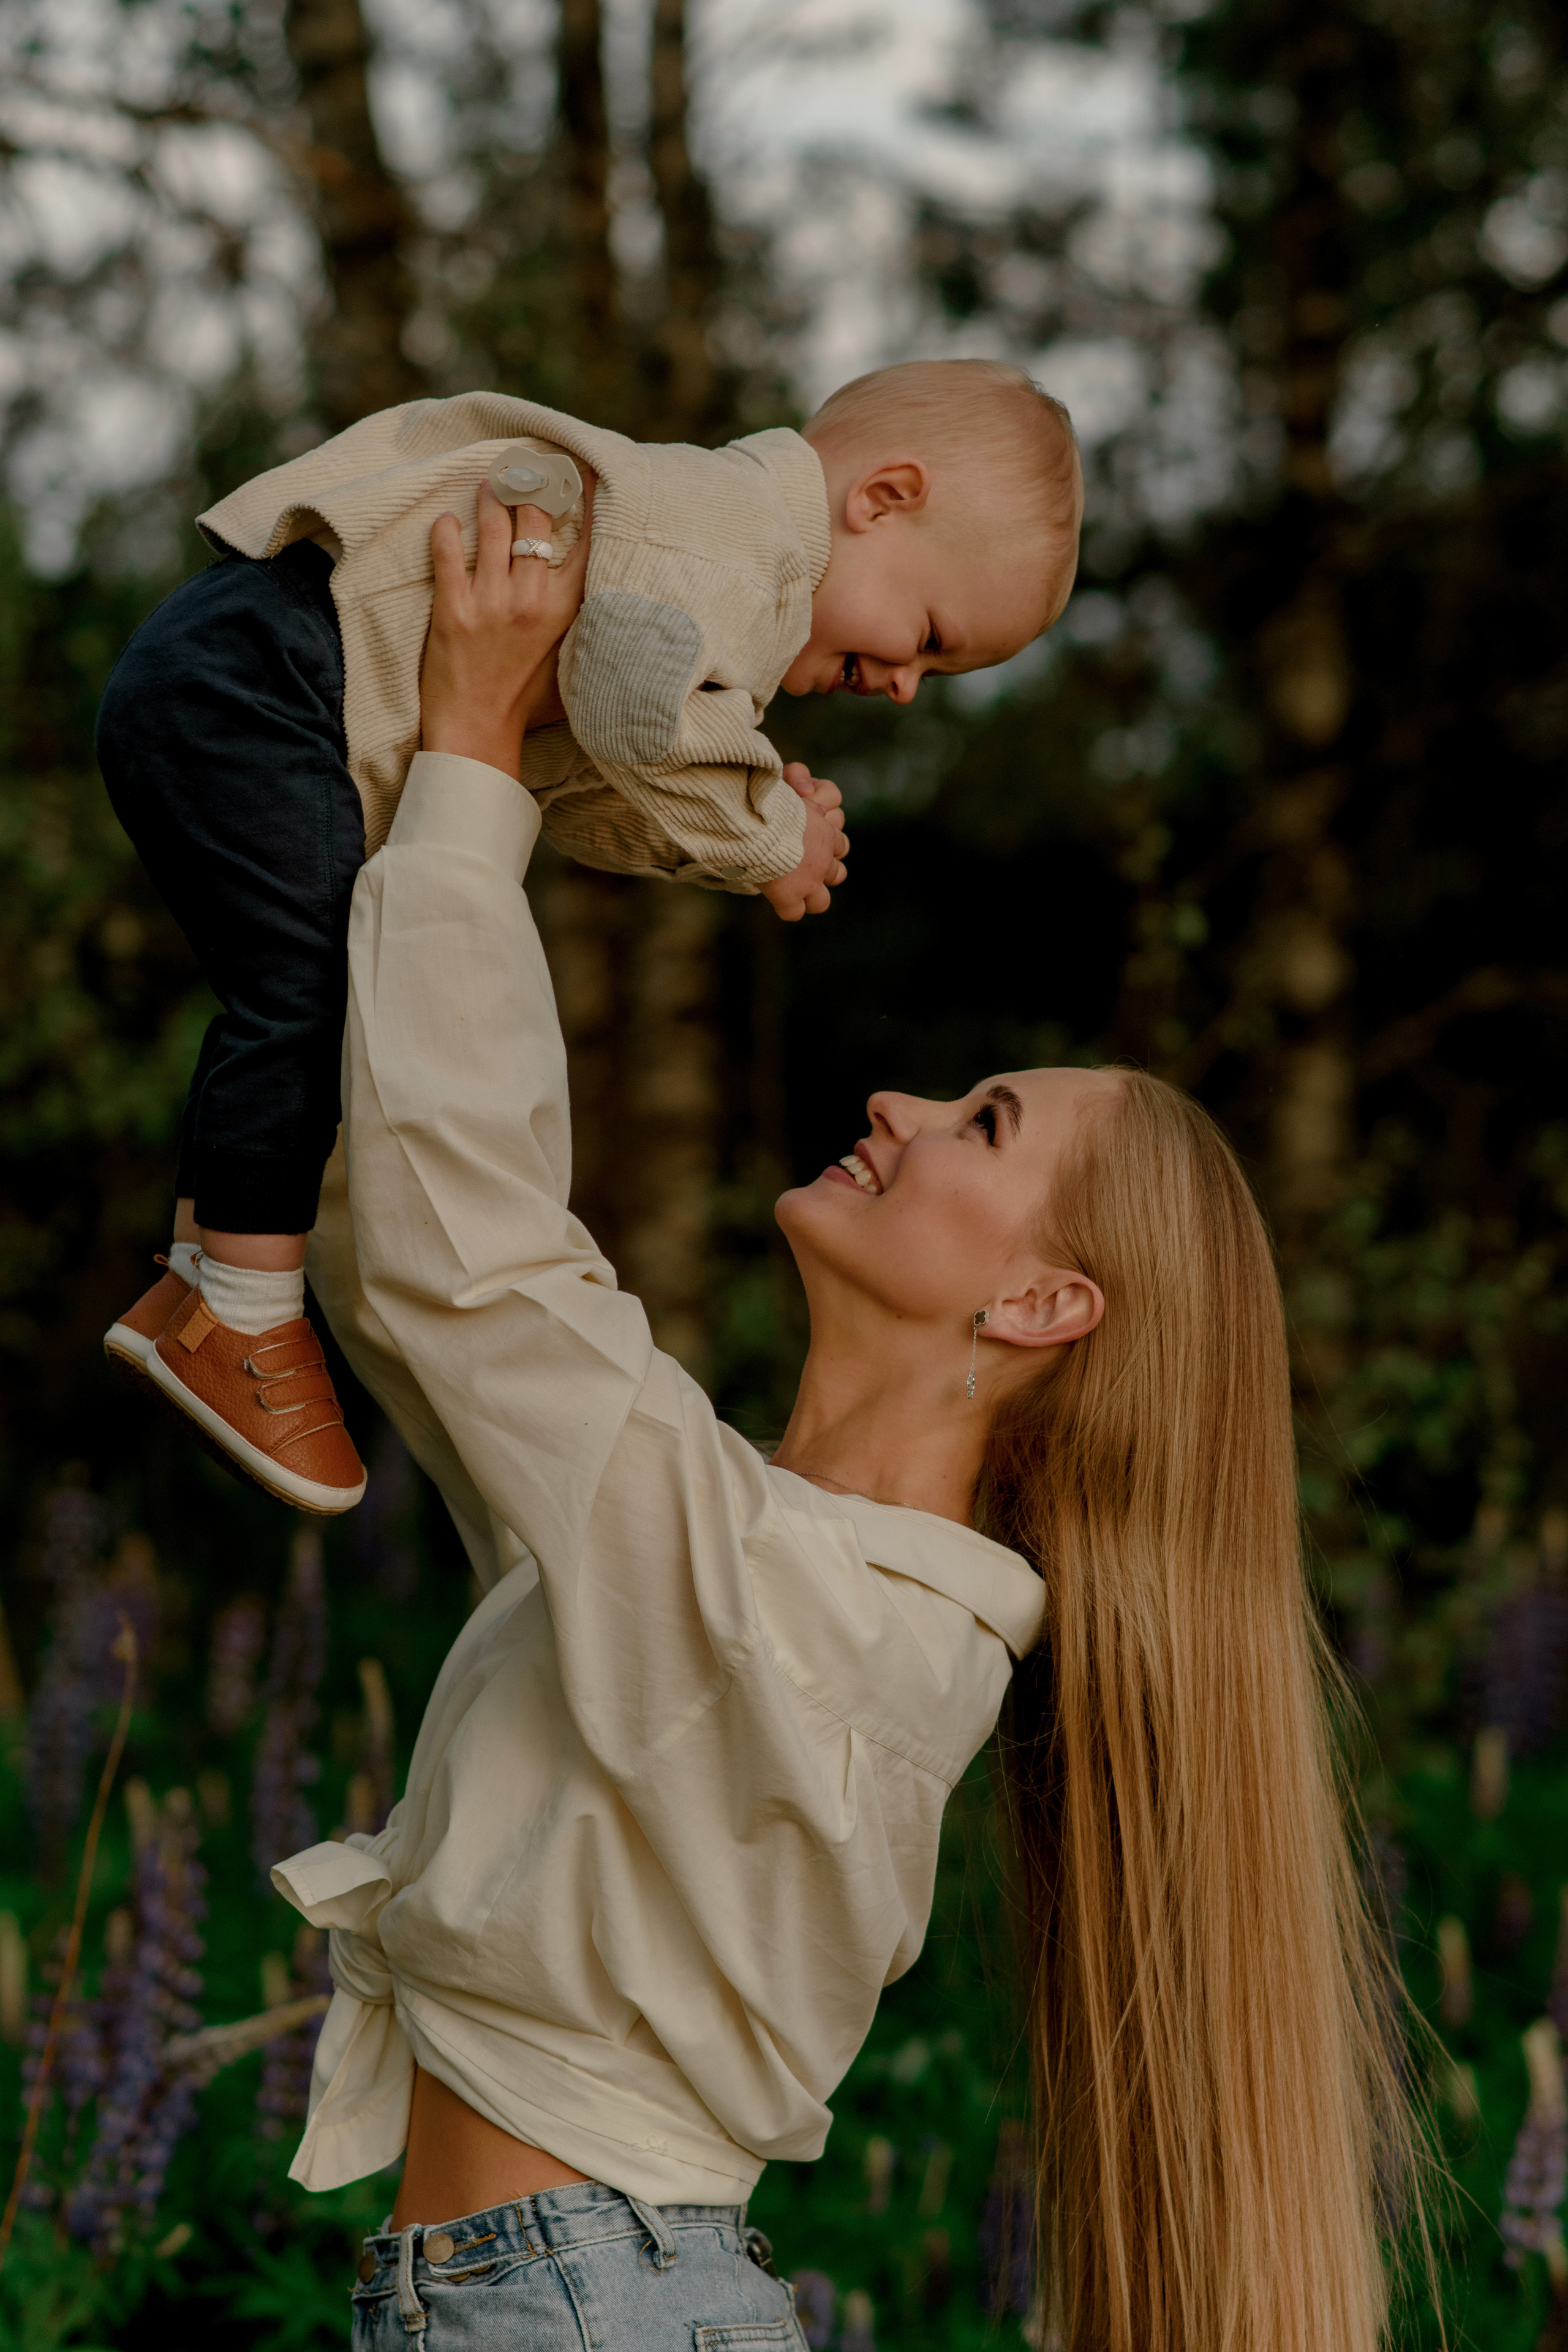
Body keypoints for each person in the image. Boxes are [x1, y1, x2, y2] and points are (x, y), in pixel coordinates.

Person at [257, 489, 1419, 2352]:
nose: (896, 1096)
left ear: (1039, 1307)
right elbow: (418, 1268)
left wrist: (477, 752)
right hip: (552, 2303)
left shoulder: (814, 1623)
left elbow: (466, 1269)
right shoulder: (777, 1571)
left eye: (981, 1126)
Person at [94, 359, 1082, 1517]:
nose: (908, 686)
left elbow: (582, 791)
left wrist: (730, 835)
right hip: (269, 681)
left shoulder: (717, 588)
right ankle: (245, 1320)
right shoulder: (721, 540)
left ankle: (199, 1278)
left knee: (297, 986)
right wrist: (769, 834)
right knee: (315, 996)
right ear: (884, 497)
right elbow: (630, 703)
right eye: (927, 635)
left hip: (255, 681)